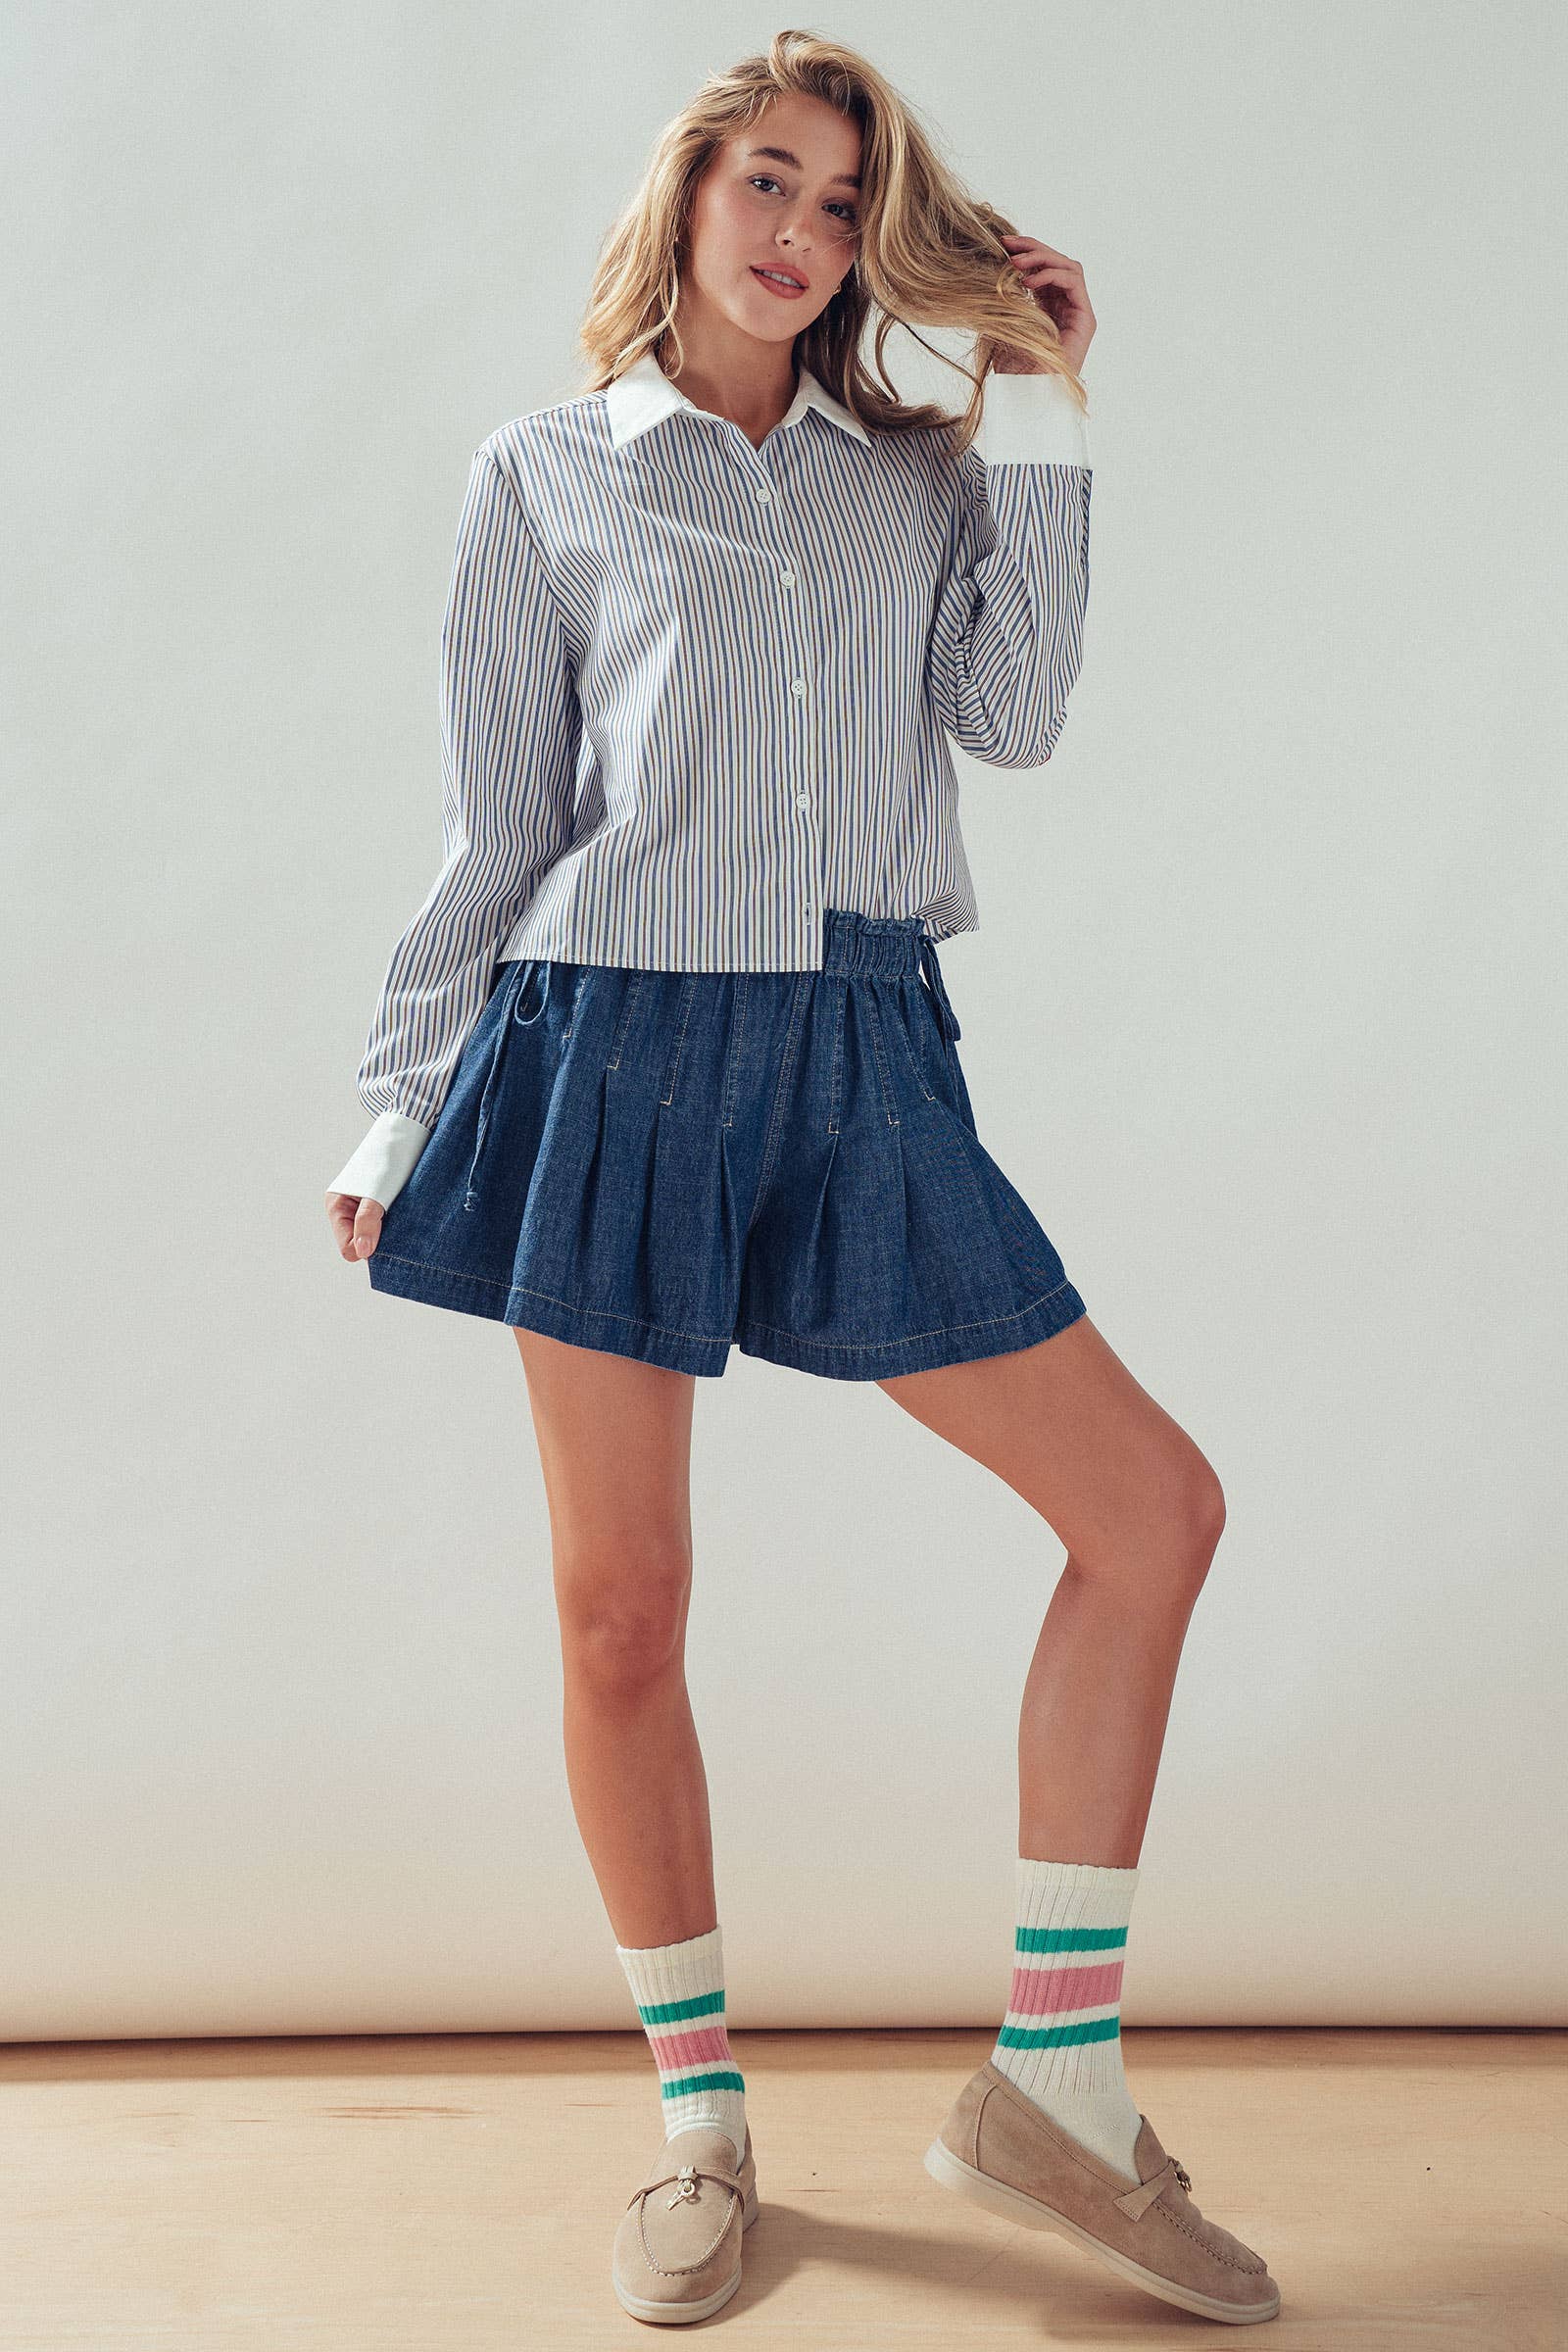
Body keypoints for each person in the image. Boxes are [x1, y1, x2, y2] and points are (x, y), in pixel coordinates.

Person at [323, 28, 1280, 2330]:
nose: (797, 231)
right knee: (618, 1613)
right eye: (766, 178)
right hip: (604, 1048)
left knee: (1149, 1512)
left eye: (843, 203)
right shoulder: (544, 475)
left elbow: (1014, 718)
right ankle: (699, 2125)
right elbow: (500, 822)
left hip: (856, 1049)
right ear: (688, 193)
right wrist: (395, 1099)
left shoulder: (915, 480)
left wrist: (1037, 402)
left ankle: (1054, 2086)